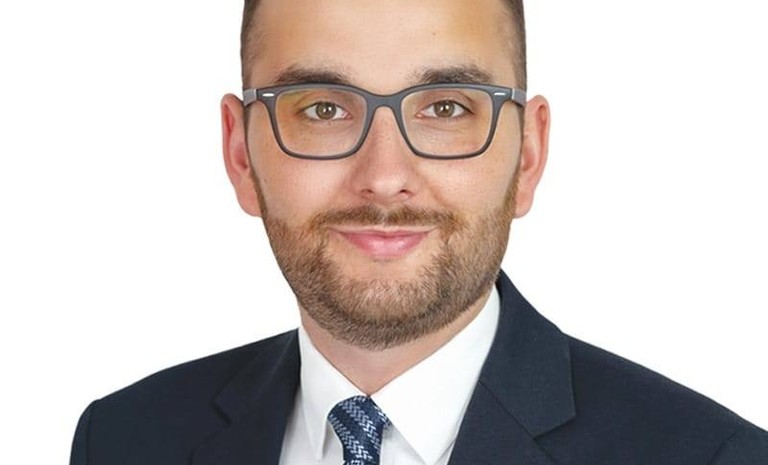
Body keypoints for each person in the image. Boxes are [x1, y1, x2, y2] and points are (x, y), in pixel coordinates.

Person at [69, 0, 768, 463]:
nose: (383, 176)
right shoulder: (124, 439)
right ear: (241, 154)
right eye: (322, 109)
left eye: (446, 107)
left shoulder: (712, 457)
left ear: (527, 155)